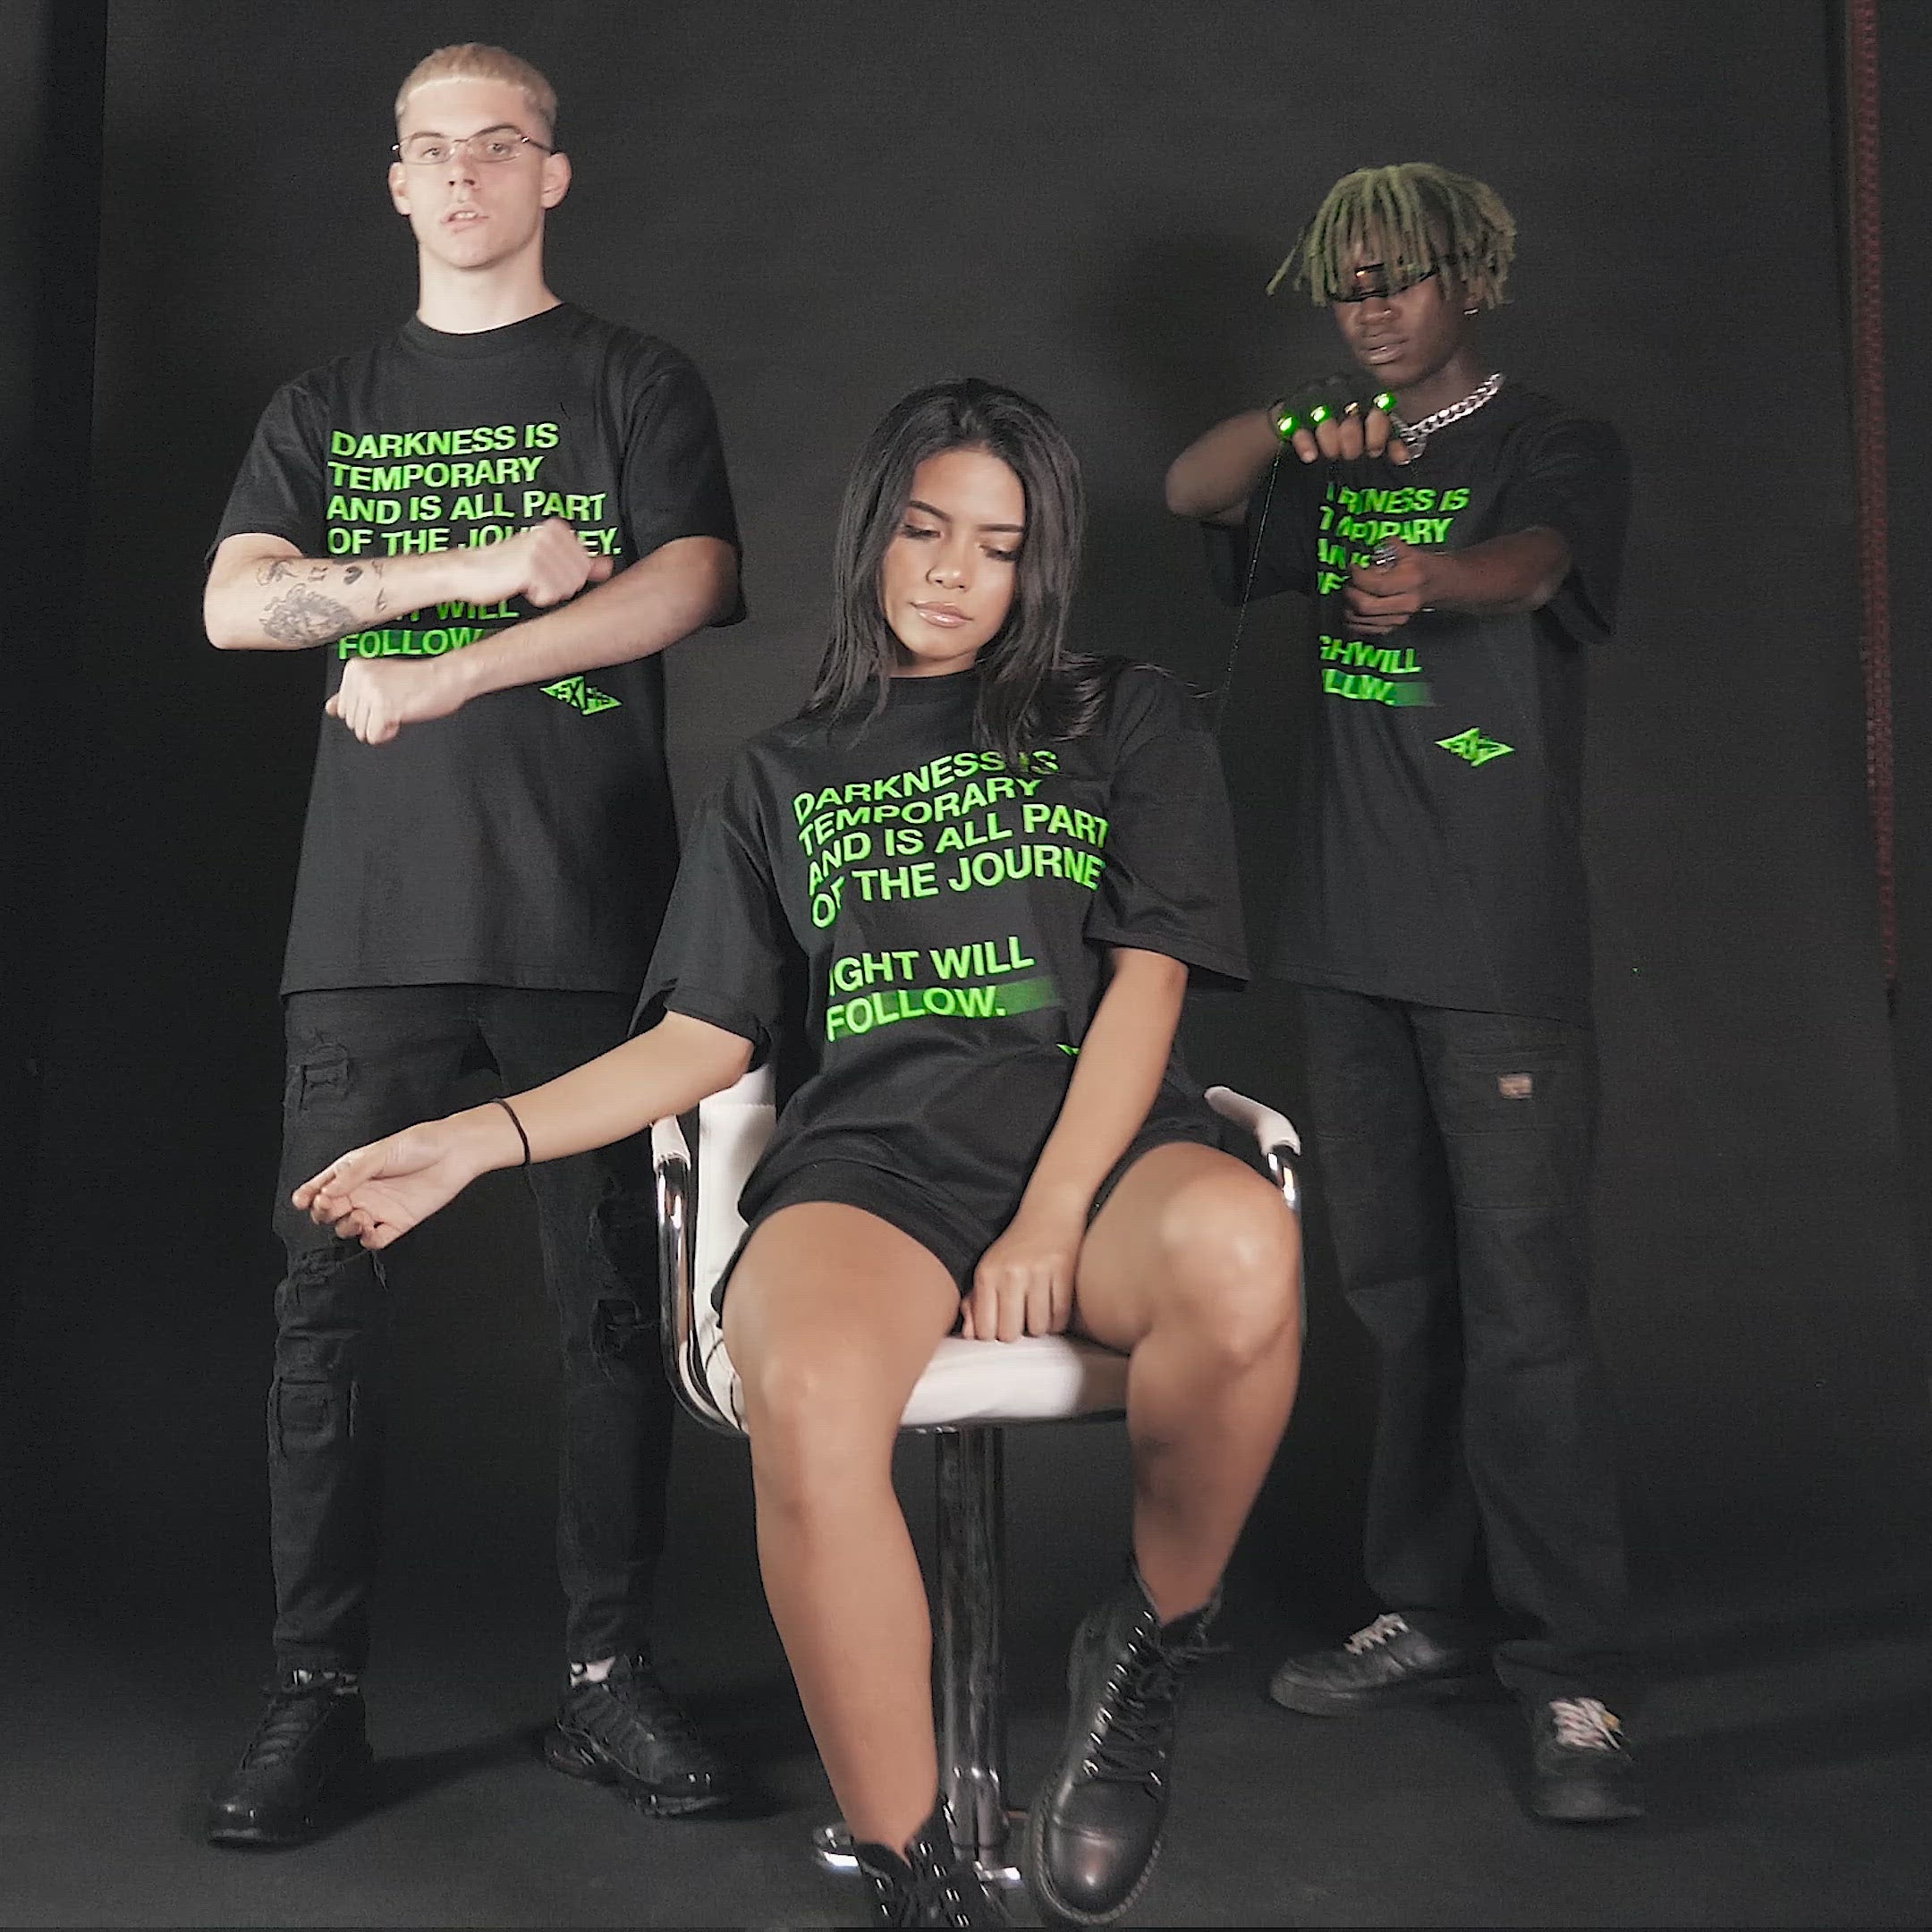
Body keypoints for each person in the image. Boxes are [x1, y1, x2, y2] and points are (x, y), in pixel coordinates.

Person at [293, 378, 1303, 1926]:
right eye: (926, 530)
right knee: (813, 1391)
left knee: (1242, 1247)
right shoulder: (778, 779)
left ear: (1040, 566)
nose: (954, 573)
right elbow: (703, 1040)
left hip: (1096, 1164)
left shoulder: (1126, 715)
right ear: (873, 532)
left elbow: (1150, 981)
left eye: (1000, 547)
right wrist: (473, 1141)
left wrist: (1046, 1218)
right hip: (872, 1175)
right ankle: (918, 1875)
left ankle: (1148, 1650)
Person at [200, 44, 742, 1846]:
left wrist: (456, 675)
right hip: (367, 930)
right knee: (324, 1309)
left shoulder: (630, 380)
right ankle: (313, 1698)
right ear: (394, 180)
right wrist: (459, 574)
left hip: (589, 914)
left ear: (552, 174)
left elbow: (688, 579)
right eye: (428, 149)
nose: (459, 174)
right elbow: (237, 606)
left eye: (495, 144)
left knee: (609, 1312)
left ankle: (606, 1678)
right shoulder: (329, 402)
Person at [1165, 163, 1641, 1823]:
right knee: (1398, 1296)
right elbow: (1191, 482)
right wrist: (1306, 429)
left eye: (1401, 278)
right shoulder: (1339, 450)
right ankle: (1429, 1611)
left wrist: (1434, 579)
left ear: (1472, 281)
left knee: (1526, 1316)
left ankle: (1574, 1673)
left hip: (1496, 951)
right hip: (1348, 946)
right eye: (1348, 284)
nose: (1371, 308)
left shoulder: (1553, 439)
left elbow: (1537, 566)